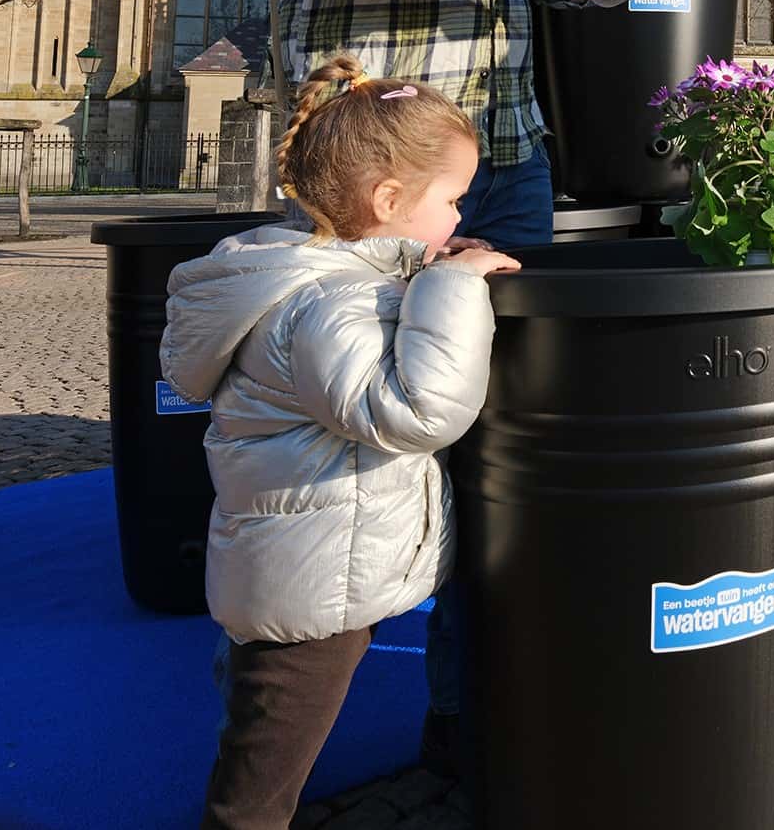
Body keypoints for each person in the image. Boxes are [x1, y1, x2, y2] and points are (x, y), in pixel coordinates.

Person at [245, 0, 696, 765]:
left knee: (501, 456)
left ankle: (468, 714)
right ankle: (273, 761)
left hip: (505, 161)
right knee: (343, 466)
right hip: (378, 178)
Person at [159, 57, 519, 830]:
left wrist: (421, 271)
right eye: (451, 198)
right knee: (262, 773)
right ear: (388, 200)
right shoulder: (328, 305)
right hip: (313, 585)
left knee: (260, 713)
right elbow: (413, 410)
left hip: (314, 561)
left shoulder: (326, 281)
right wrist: (454, 287)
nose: (460, 215)